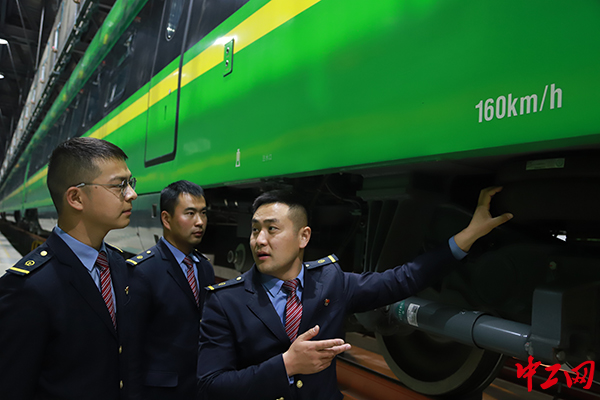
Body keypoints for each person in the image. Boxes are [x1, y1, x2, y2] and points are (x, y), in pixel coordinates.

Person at [197, 187, 513, 400]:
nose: (259, 240)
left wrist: (469, 234)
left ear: (303, 237)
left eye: (272, 229)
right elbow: (210, 385)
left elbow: (401, 280)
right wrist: (287, 365)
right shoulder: (225, 301)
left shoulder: (331, 283)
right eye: (255, 229)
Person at [0, 137, 138, 400]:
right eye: (119, 185)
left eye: (130, 183)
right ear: (76, 198)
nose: (132, 194)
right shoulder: (28, 287)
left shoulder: (119, 266)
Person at [128, 180, 215, 400]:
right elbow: (131, 347)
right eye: (190, 214)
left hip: (198, 388)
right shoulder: (143, 271)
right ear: (166, 219)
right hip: (160, 392)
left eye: (203, 213)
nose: (200, 222)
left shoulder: (204, 268)